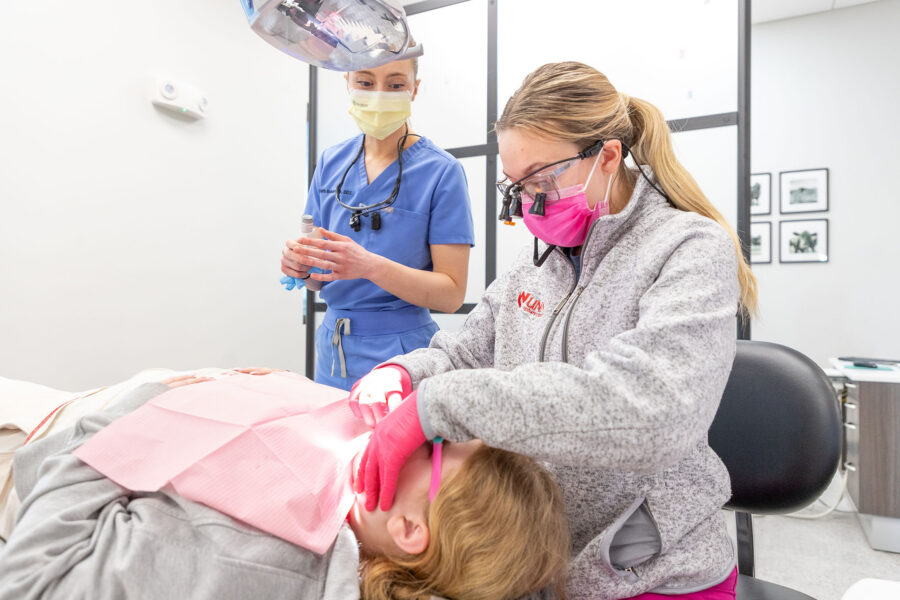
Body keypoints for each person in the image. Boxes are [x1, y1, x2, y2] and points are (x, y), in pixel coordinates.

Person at [347, 62, 759, 600]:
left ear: (606, 157)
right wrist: (404, 374)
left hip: (651, 571)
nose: (530, 203)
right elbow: (466, 353)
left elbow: (656, 411)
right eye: (517, 187)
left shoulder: (688, 249)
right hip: (536, 565)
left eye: (542, 180)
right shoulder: (534, 265)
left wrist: (439, 404)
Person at [0, 371, 569, 600]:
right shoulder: (345, 515)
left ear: (409, 528)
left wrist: (141, 409)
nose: (408, 431)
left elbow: (29, 581)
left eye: (431, 444)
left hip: (45, 458)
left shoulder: (257, 563)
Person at [280, 55, 475, 391]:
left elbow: (451, 295)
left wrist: (369, 266)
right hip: (334, 350)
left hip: (404, 356)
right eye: (365, 83)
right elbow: (317, 280)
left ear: (414, 89)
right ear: (348, 83)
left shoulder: (441, 171)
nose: (379, 95)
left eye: (396, 84)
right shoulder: (330, 162)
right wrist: (300, 266)